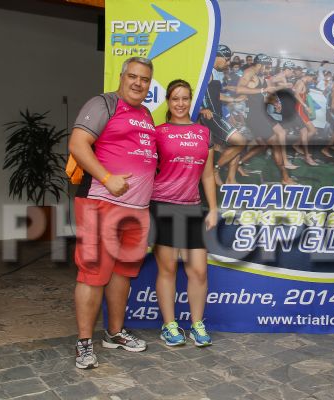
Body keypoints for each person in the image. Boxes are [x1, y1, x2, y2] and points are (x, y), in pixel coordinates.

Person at [69, 57, 156, 369]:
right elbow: (78, 144)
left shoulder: (146, 114)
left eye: (144, 79)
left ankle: (114, 333)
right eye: (132, 76)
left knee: (123, 273)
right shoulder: (103, 104)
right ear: (122, 77)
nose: (138, 83)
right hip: (100, 203)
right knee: (93, 274)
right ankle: (84, 343)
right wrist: (107, 178)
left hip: (137, 210)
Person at [150, 79, 218, 347]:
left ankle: (197, 324)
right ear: (168, 101)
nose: (180, 103)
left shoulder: (204, 133)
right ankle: (169, 325)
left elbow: (208, 175)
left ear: (191, 101)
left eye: (185, 98)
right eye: (175, 98)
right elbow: (145, 169)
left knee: (198, 271)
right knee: (167, 269)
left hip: (192, 207)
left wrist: (213, 208)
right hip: (163, 205)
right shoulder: (158, 132)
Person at [235, 53, 295, 184]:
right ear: (260, 64)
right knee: (275, 145)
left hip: (260, 114)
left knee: (263, 146)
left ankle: (238, 163)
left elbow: (266, 91)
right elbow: (239, 89)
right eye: (267, 67)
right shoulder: (249, 72)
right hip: (255, 116)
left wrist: (275, 100)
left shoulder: (258, 75)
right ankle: (285, 177)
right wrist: (262, 90)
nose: (268, 69)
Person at [200, 44, 249, 185]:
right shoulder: (206, 72)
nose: (228, 63)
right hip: (210, 117)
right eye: (226, 59)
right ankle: (215, 169)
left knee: (232, 147)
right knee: (240, 141)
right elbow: (193, 93)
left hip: (218, 115)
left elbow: (217, 96)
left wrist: (235, 100)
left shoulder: (216, 73)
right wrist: (201, 109)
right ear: (217, 56)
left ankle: (230, 179)